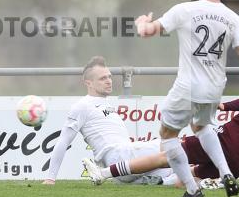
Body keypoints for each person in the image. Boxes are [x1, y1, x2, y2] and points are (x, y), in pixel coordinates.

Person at [84, 37, 239, 191]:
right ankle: (168, 185)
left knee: (166, 157)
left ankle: (103, 174)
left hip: (227, 142)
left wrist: (224, 106)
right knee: (186, 178)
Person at [134, 0, 239, 197]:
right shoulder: (233, 18)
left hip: (188, 85)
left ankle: (193, 189)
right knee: (201, 127)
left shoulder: (185, 10)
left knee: (168, 135)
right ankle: (225, 173)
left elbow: (148, 32)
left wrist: (142, 23)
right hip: (214, 88)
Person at [43, 56, 176, 186]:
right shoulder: (82, 106)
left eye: (109, 77)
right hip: (117, 157)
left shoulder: (106, 103)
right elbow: (63, 141)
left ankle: (160, 182)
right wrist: (50, 178)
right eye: (103, 78)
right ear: (88, 83)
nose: (109, 81)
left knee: (181, 170)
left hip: (124, 167)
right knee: (174, 145)